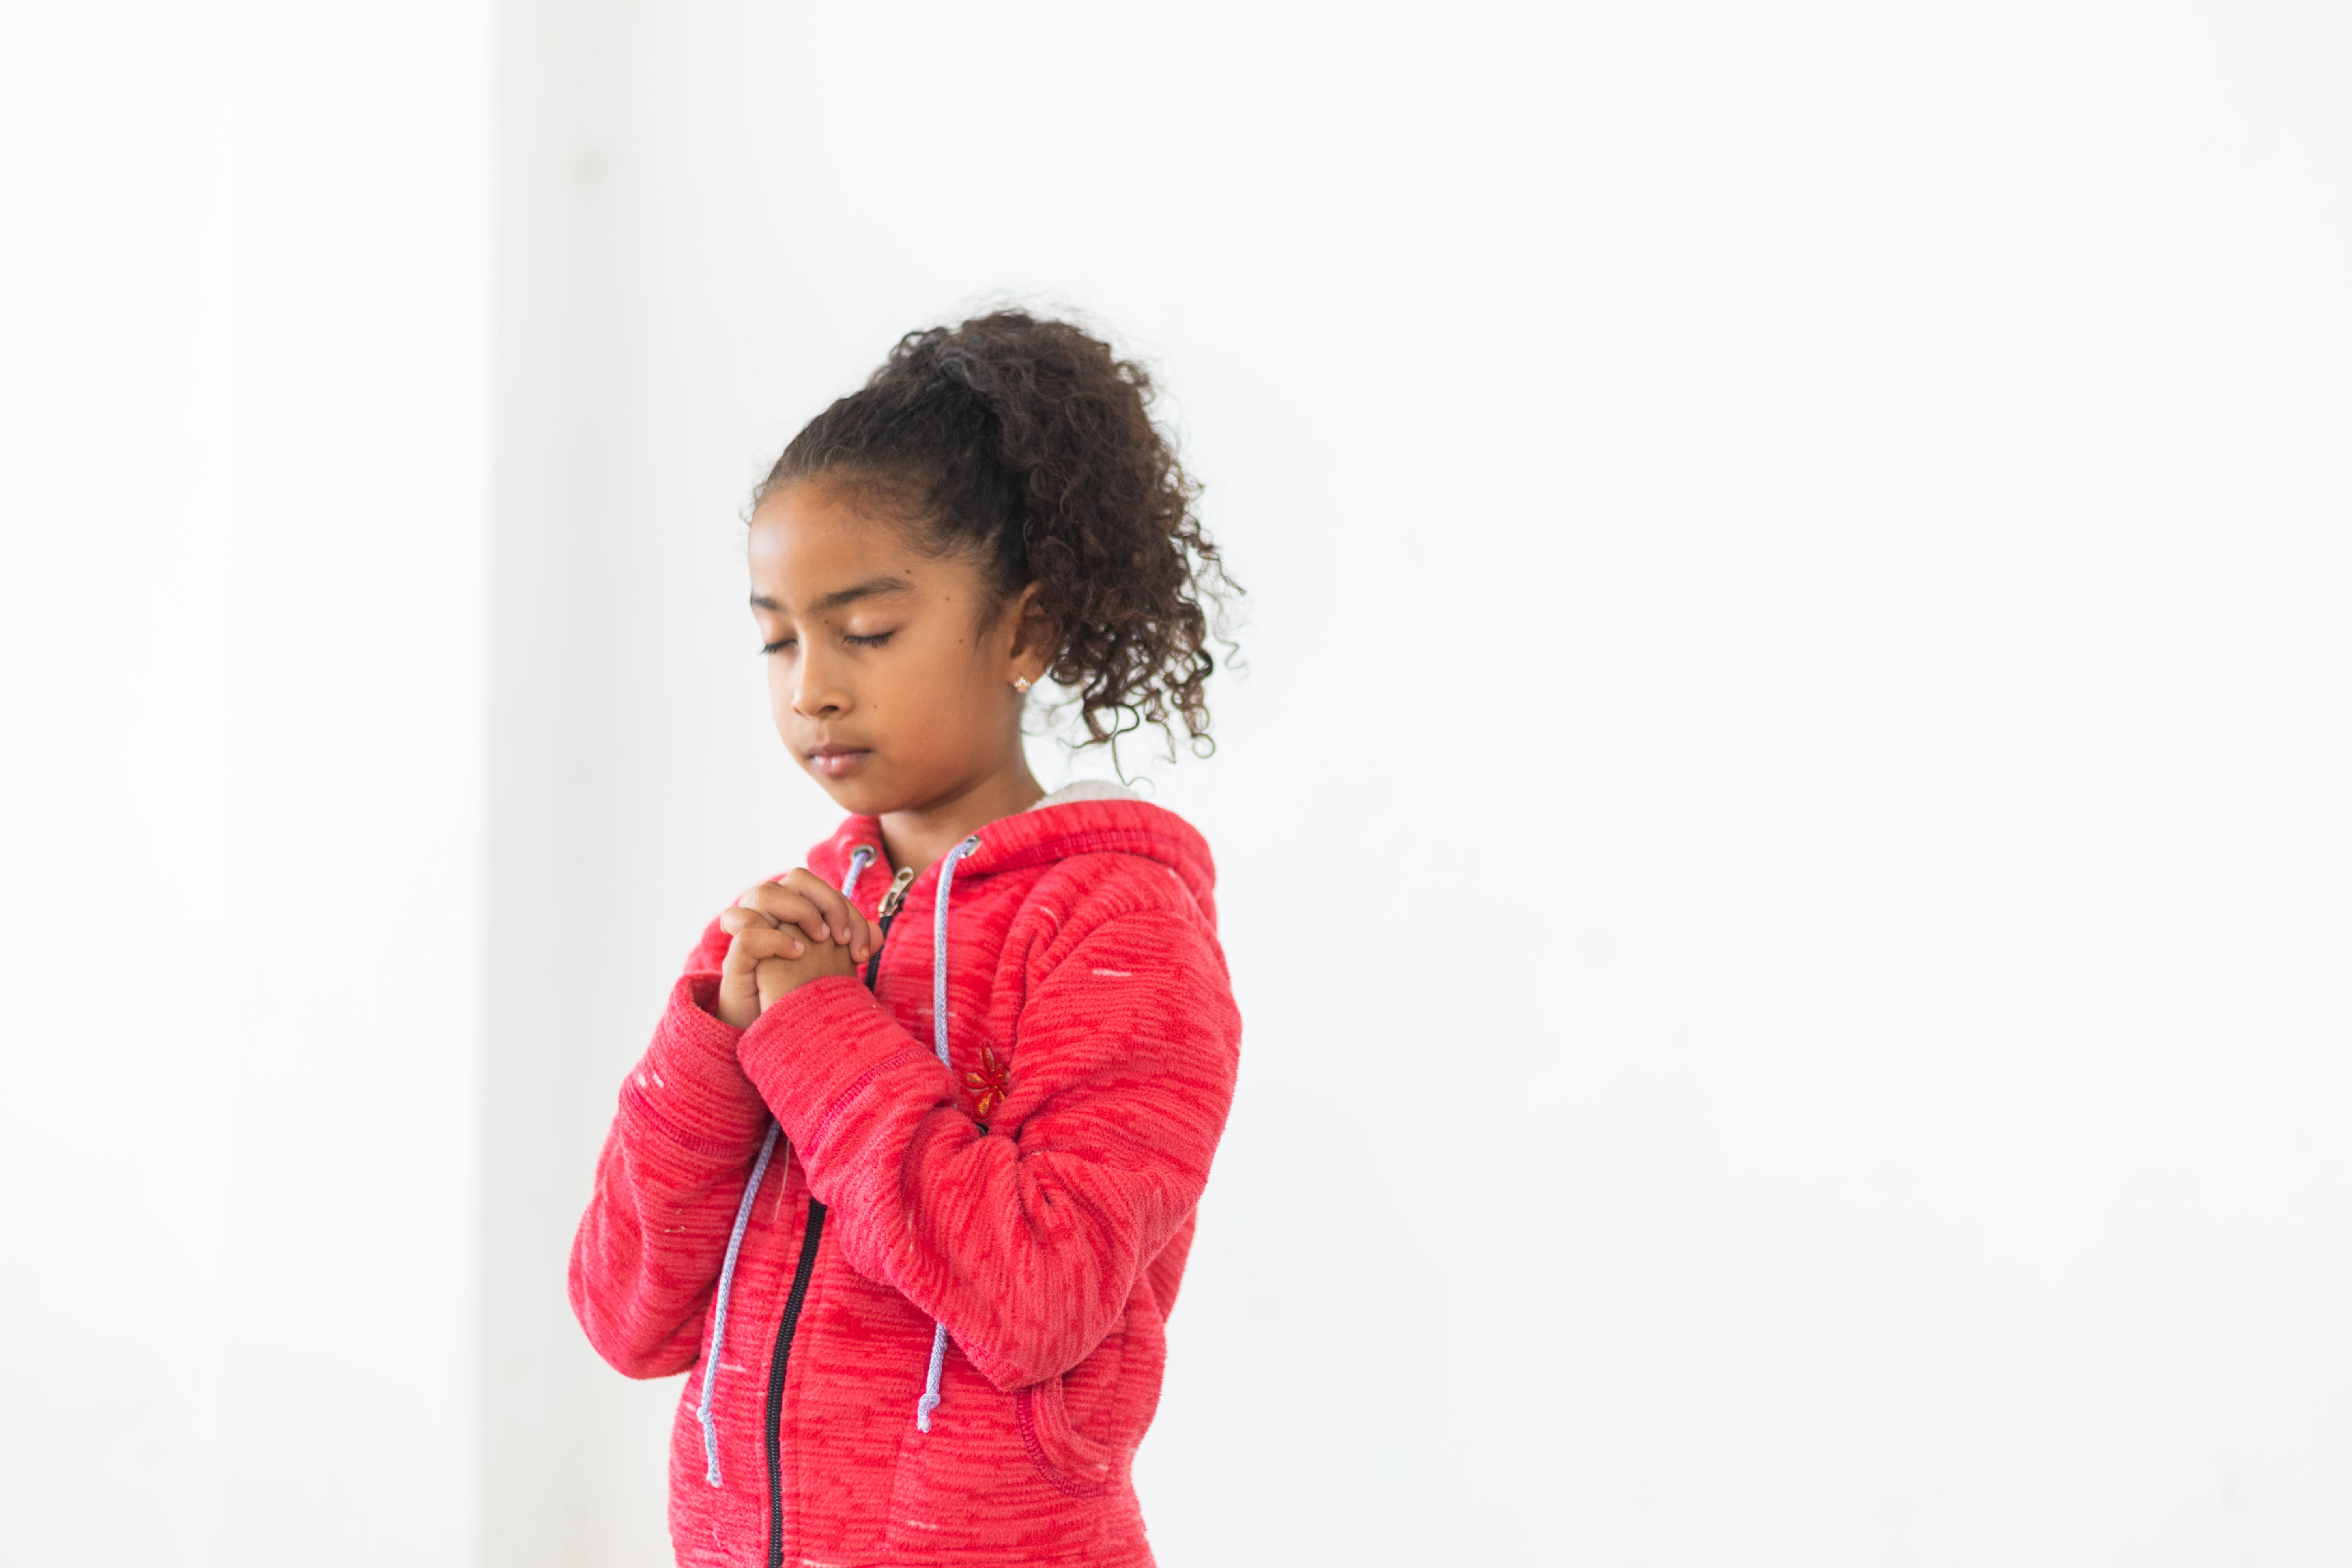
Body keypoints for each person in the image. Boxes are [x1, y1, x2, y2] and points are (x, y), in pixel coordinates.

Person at [570, 311, 1244, 1568]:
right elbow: (627, 1317)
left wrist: (820, 1036)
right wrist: (717, 1041)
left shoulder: (1115, 928)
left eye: (866, 632)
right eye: (778, 638)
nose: (811, 687)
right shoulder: (784, 938)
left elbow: (1036, 1301)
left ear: (1024, 633)